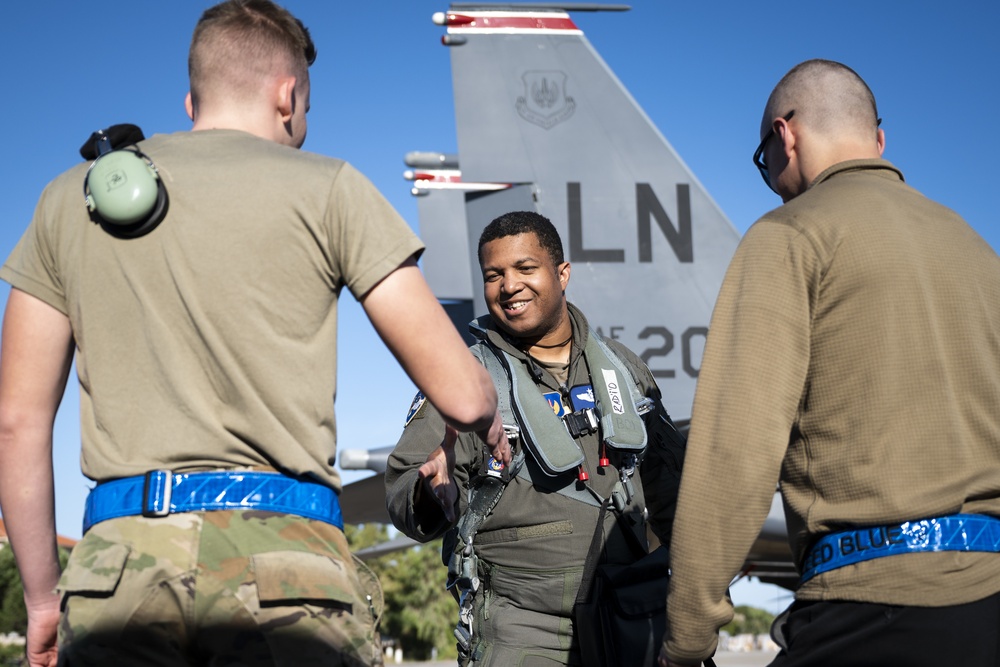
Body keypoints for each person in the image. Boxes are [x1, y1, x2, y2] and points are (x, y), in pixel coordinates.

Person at [0, 2, 509, 666]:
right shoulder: (331, 187)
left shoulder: (68, 199)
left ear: (191, 100)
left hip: (118, 574)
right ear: (288, 94)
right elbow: (463, 395)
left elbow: (17, 421)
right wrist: (483, 420)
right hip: (288, 570)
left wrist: (43, 600)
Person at [660, 59, 1000, 667]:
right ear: (879, 140)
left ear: (784, 138)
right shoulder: (976, 248)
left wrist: (686, 640)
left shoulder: (790, 236)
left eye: (765, 163)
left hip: (867, 612)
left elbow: (735, 450)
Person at [385, 211, 686, 666]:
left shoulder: (623, 370)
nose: (509, 286)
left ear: (561, 274)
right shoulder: (465, 380)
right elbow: (406, 494)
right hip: (523, 630)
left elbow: (672, 493)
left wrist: (697, 593)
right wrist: (429, 492)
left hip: (629, 614)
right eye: (494, 275)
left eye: (525, 269)